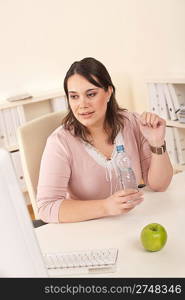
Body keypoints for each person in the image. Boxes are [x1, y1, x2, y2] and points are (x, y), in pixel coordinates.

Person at [37, 57, 173, 223]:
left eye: (91, 94)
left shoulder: (131, 123)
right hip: (87, 230)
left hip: (133, 221)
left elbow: (160, 185)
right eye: (74, 97)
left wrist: (157, 142)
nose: (82, 104)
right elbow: (46, 207)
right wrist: (106, 207)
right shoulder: (59, 143)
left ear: (108, 92)